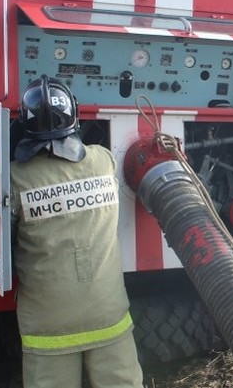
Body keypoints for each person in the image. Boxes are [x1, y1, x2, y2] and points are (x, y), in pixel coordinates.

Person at [10, 76, 143, 388]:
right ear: (74, 115)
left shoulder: (16, 179)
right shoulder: (103, 160)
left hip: (48, 326)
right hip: (109, 314)